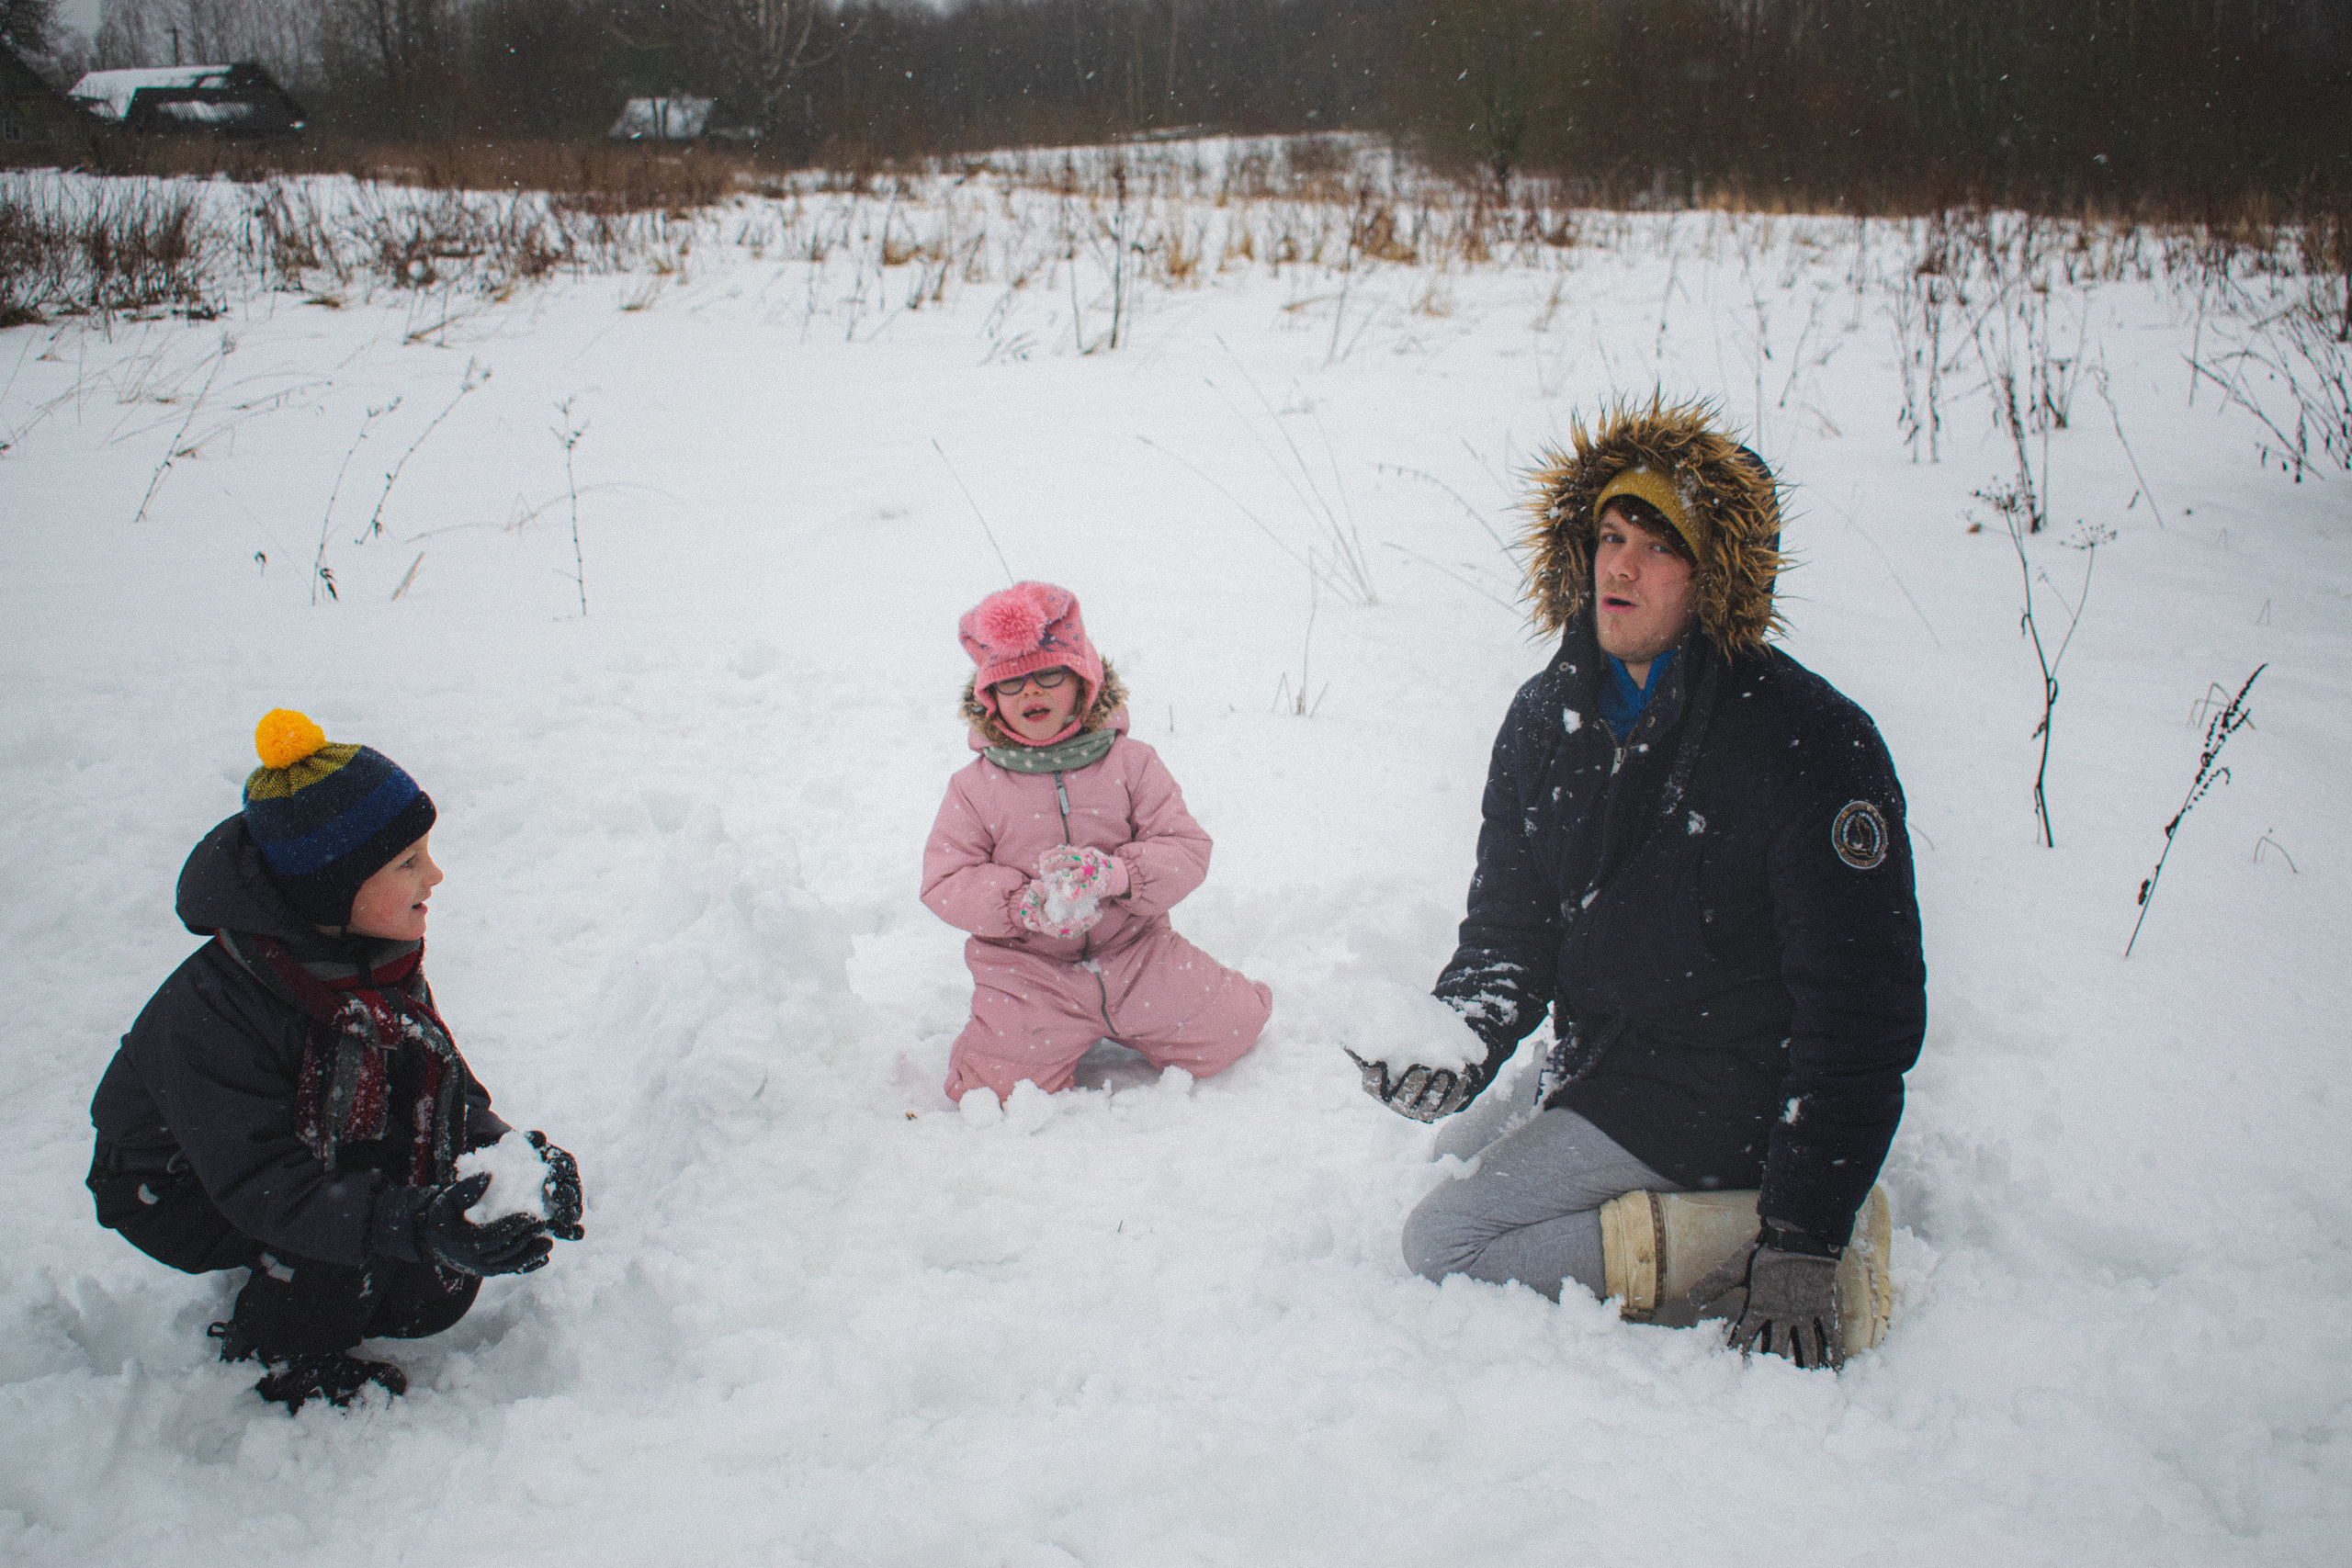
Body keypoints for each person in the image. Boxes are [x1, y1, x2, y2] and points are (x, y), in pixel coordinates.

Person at [1356, 399, 1926, 1370]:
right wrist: (1460, 1042)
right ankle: (1677, 1201)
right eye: (1611, 536)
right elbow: (1511, 930)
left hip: (1734, 1088)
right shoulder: (1546, 715)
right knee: (1449, 1155)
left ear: (1719, 578)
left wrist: (1803, 1235)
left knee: (1446, 1243)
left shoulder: (1813, 744)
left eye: (1660, 548)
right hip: (1607, 1057)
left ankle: (1763, 1228)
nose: (1619, 568)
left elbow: (1859, 1011)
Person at [87, 710, 584, 1413]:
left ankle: (338, 1269)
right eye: (407, 862)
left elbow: (435, 1077)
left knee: (427, 1291)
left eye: (426, 852)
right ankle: (284, 1351)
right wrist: (408, 1222)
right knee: (350, 1228)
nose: (435, 875)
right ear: (332, 889)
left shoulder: (371, 960)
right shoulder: (218, 1011)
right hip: (180, 1186)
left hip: (287, 1140)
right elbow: (264, 1180)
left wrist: (512, 1158)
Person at [922, 581, 1272, 1103]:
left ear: (1084, 683)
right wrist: (1023, 904)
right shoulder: (973, 788)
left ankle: (1182, 1011)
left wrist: (1120, 875)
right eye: (1011, 684)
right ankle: (1037, 1041)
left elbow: (1184, 845)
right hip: (1029, 975)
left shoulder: (1133, 763)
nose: (1031, 693)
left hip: (1136, 954)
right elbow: (946, 880)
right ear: (990, 701)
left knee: (1233, 1030)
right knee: (994, 1092)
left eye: (1049, 675)